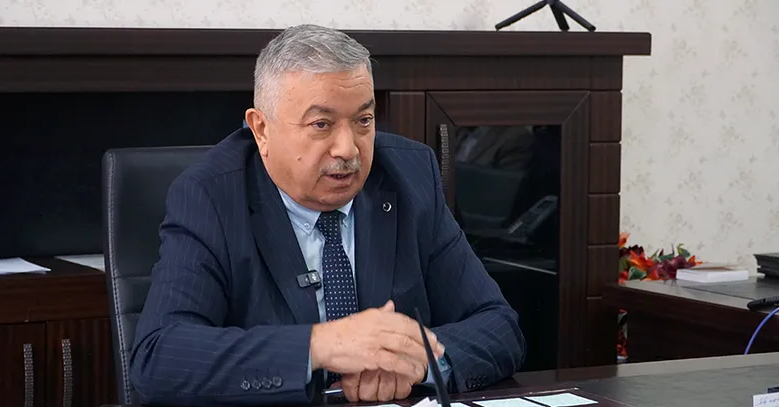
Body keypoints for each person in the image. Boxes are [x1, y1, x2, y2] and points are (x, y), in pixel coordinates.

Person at [129, 24, 526, 406]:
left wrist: (417, 361)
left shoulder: (410, 176)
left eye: (363, 121)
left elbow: (499, 326)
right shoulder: (211, 196)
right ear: (261, 130)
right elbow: (159, 357)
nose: (348, 149)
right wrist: (320, 345)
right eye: (321, 124)